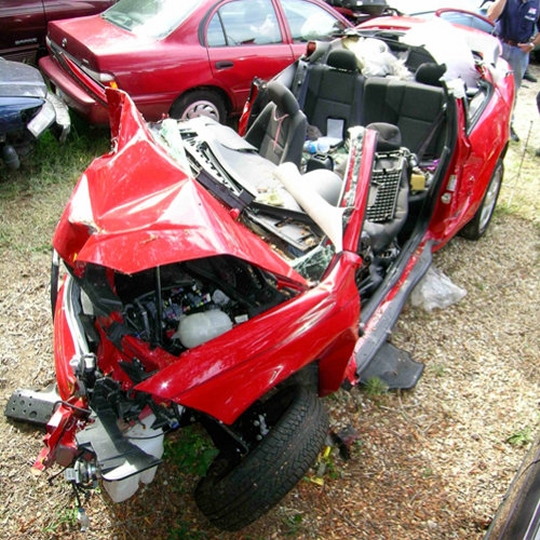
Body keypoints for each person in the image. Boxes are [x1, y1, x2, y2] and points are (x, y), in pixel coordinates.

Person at [487, 0, 540, 141]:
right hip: (500, 45)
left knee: (512, 90)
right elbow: (490, 16)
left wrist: (532, 45)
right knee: (489, 84)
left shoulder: (536, 3)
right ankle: (485, 123)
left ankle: (507, 125)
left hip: (519, 52)